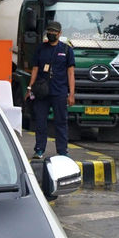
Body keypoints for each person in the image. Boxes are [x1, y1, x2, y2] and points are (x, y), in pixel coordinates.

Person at [27, 20, 75, 159]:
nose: (51, 33)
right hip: (42, 91)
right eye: (49, 31)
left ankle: (62, 151)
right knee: (40, 121)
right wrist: (30, 87)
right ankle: (39, 149)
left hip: (59, 91)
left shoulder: (66, 50)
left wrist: (71, 93)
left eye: (54, 31)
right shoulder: (41, 48)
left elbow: (71, 73)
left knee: (61, 121)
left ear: (60, 33)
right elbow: (35, 69)